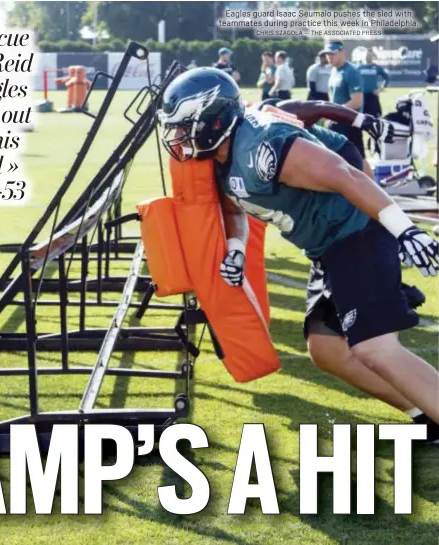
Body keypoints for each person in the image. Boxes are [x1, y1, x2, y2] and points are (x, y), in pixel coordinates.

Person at [157, 67, 439, 439]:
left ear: (213, 119)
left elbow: (346, 175)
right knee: (327, 350)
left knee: (375, 348)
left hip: (356, 232)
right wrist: (237, 249)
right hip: (327, 247)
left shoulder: (264, 146)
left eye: (184, 125)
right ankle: (426, 413)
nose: (178, 136)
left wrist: (404, 230)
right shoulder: (221, 157)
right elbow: (235, 206)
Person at [324, 41, 365, 158]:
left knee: (358, 159)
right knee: (335, 159)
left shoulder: (351, 71)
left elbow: (357, 102)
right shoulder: (333, 70)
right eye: (327, 54)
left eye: (333, 53)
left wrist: (333, 112)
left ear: (342, 52)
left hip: (350, 123)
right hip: (336, 121)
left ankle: (368, 177)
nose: (329, 57)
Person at [358, 51, 390, 117]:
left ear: (372, 56)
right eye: (366, 55)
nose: (368, 57)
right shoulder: (359, 68)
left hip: (373, 96)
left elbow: (386, 78)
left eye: (370, 55)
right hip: (362, 96)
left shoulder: (377, 67)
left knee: (375, 117)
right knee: (361, 117)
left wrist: (380, 89)